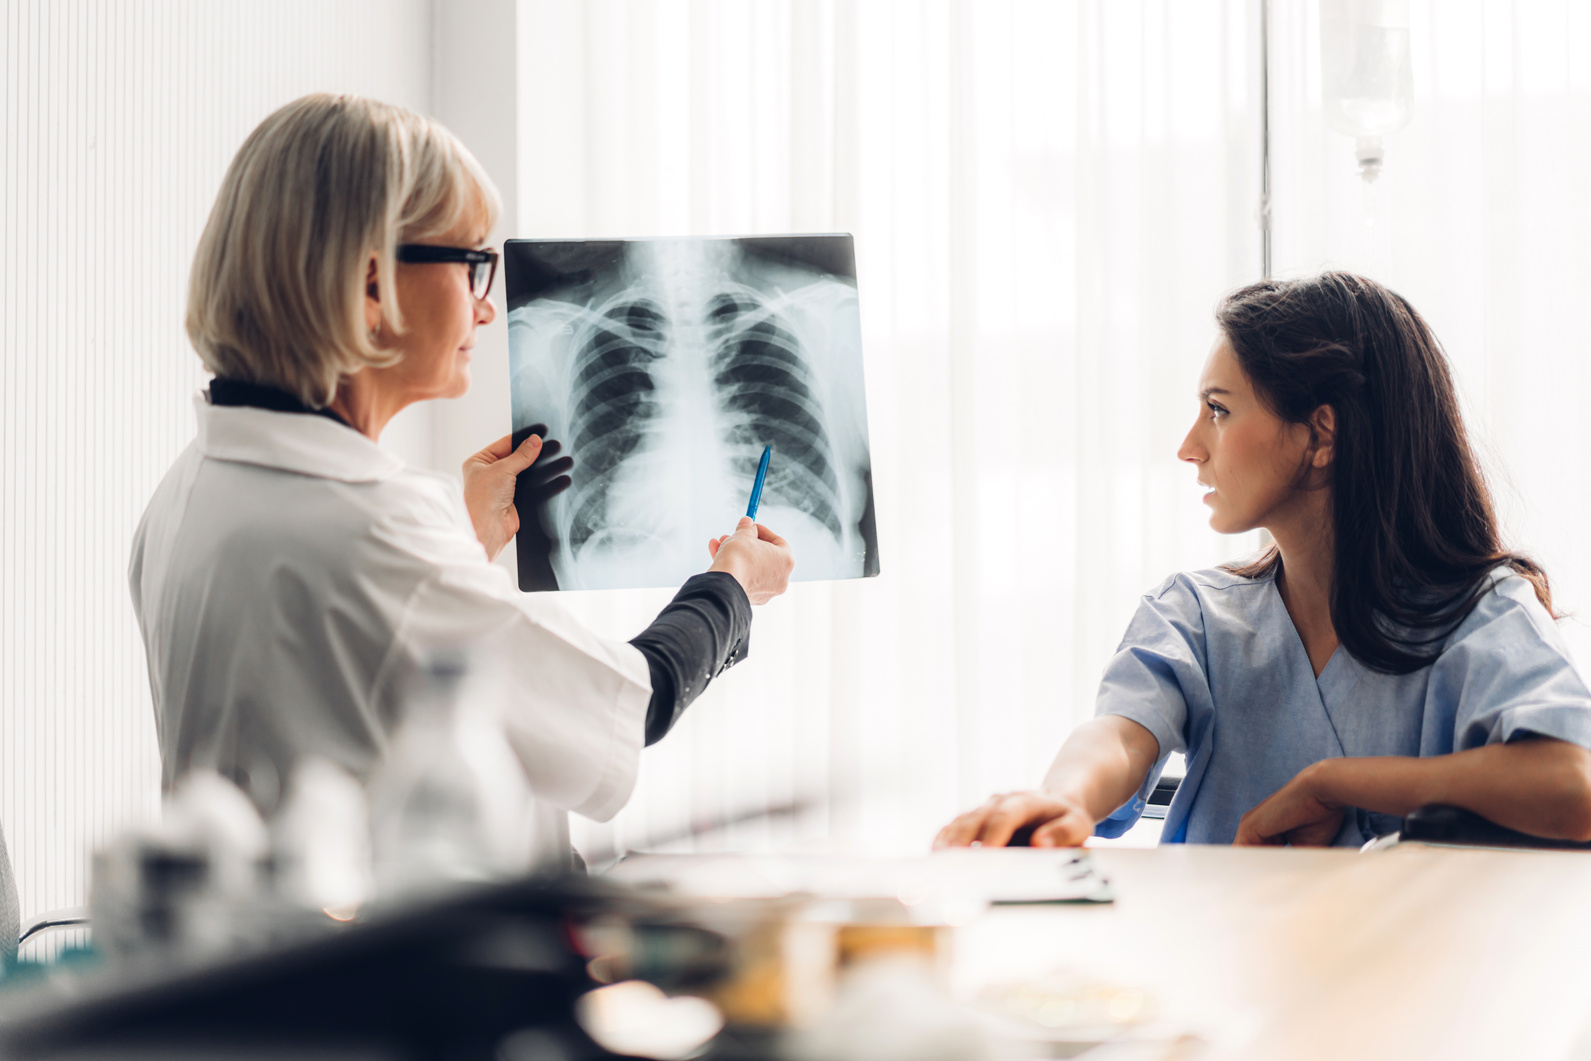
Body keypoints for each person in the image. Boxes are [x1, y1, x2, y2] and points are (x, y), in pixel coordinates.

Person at [129, 94, 794, 868]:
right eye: (473, 263)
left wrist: (463, 541)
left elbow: (342, 672)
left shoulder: (189, 489)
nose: (485, 309)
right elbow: (632, 699)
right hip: (395, 975)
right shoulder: (366, 529)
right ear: (373, 285)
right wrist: (733, 587)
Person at [936, 272, 1591, 849]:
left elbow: (1574, 784)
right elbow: (1118, 735)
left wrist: (1335, 783)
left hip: (1403, 978)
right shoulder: (1194, 612)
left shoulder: (1479, 613)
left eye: (1217, 410)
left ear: (1320, 434)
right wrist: (1066, 799)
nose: (1188, 446)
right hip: (1209, 971)